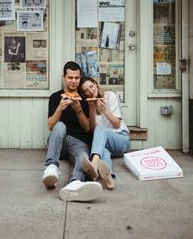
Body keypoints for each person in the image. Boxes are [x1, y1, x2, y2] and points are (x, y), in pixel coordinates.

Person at [42, 61, 102, 202]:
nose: (73, 81)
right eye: (70, 77)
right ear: (64, 77)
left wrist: (78, 110)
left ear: (80, 78)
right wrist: (60, 109)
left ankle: (75, 183)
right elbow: (50, 126)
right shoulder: (55, 97)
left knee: (83, 158)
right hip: (59, 141)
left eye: (76, 78)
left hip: (78, 141)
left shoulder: (85, 98)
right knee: (60, 125)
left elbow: (87, 128)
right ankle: (51, 167)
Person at [79, 77, 130, 190]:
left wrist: (105, 110)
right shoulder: (89, 104)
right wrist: (92, 112)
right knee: (104, 152)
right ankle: (108, 177)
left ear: (96, 84)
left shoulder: (109, 96)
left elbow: (117, 124)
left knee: (101, 130)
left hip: (122, 140)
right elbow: (94, 132)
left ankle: (94, 164)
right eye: (86, 91)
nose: (90, 91)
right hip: (108, 146)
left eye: (91, 87)